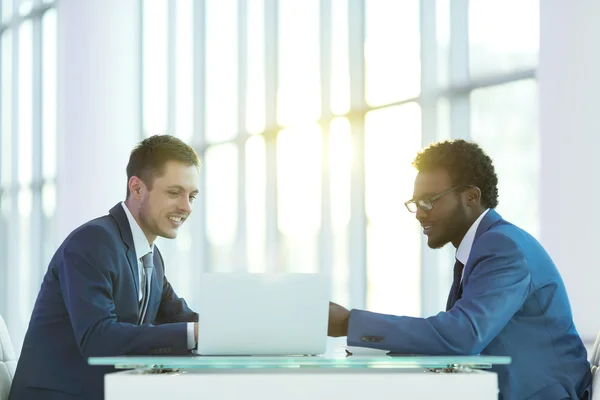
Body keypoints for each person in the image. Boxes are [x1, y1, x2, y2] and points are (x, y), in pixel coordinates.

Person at [328, 140, 593, 399]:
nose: (419, 213)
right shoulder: (480, 248)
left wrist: (348, 323)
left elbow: (462, 335)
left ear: (471, 197)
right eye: (416, 203)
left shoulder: (502, 246)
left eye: (429, 201)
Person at [10, 135, 201, 400]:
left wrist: (230, 332)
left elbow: (181, 318)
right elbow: (97, 338)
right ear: (136, 188)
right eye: (173, 192)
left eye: (192, 196)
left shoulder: (151, 258)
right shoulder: (93, 242)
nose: (186, 206)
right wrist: (193, 334)